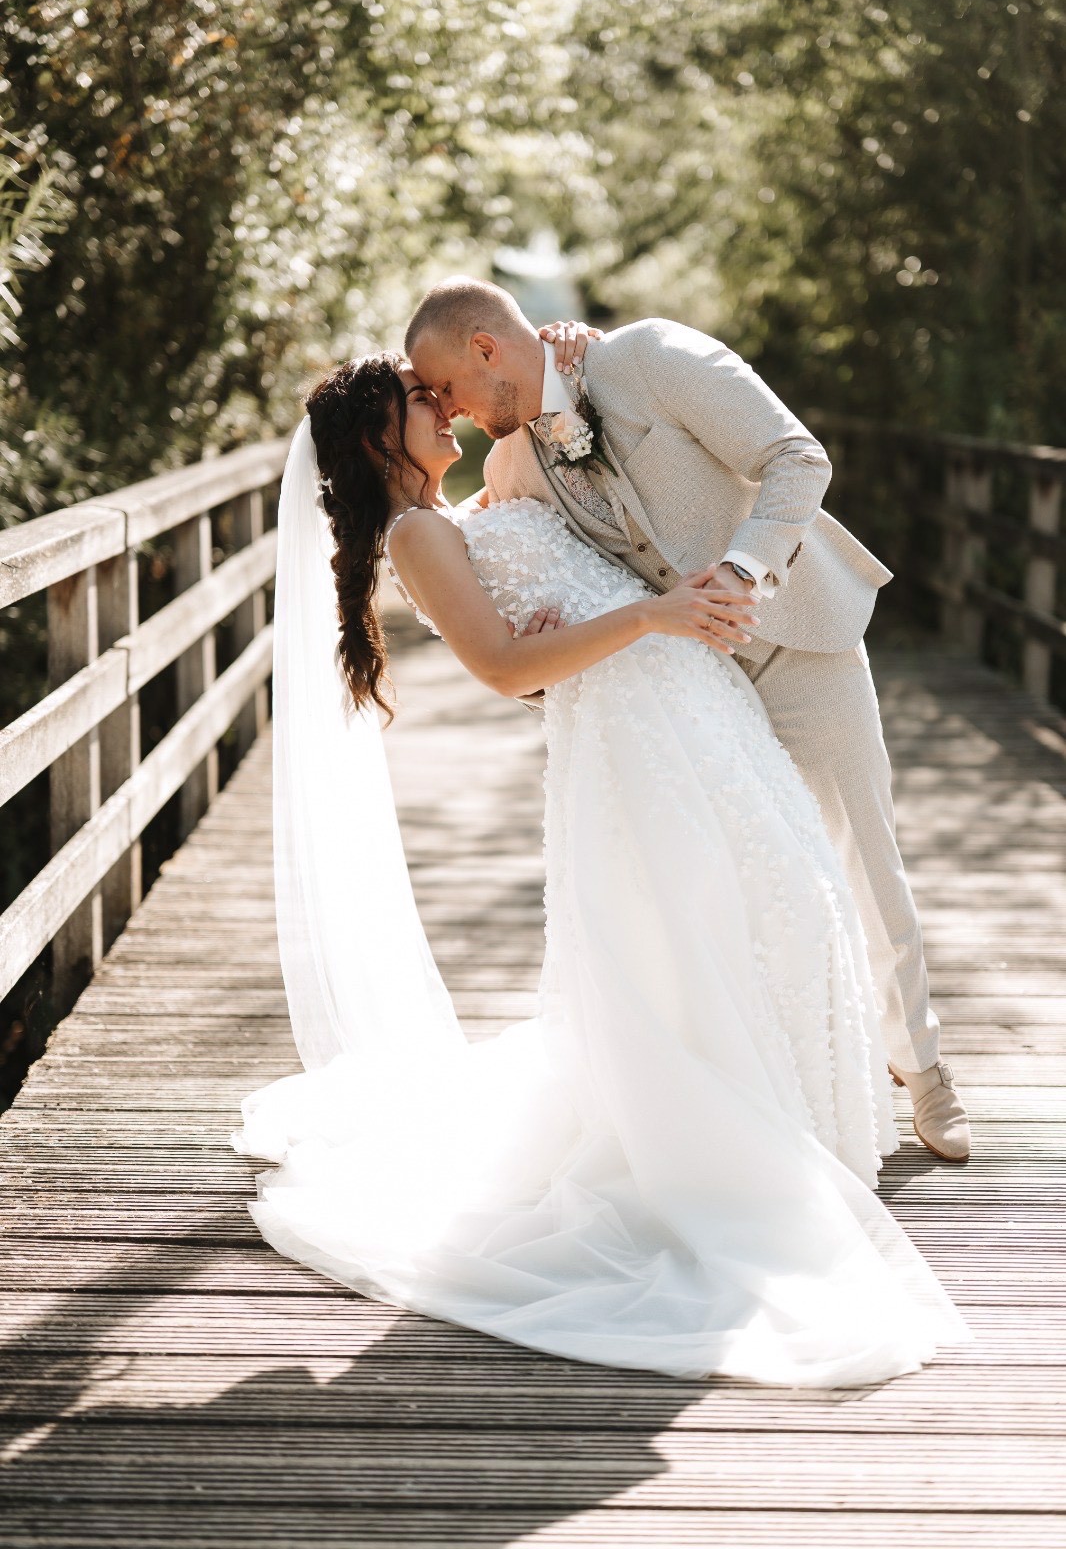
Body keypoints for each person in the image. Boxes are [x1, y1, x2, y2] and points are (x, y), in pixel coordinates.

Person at [230, 330, 973, 1389]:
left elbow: (549, 556)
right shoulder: (416, 534)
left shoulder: (481, 490)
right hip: (640, 721)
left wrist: (566, 363)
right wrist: (648, 617)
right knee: (702, 923)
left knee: (783, 893)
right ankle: (726, 1132)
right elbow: (503, 667)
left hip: (686, 692)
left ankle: (816, 1101)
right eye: (420, 398)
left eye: (442, 384)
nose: (443, 404)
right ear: (378, 437)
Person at [405, 279, 971, 1165]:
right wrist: (539, 661)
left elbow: (798, 457)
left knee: (863, 851)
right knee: (752, 885)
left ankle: (924, 1069)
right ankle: (798, 1087)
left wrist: (744, 570)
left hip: (799, 638)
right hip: (692, 692)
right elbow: (488, 593)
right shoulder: (512, 469)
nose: (449, 411)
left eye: (448, 388)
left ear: (486, 349)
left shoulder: (650, 357)